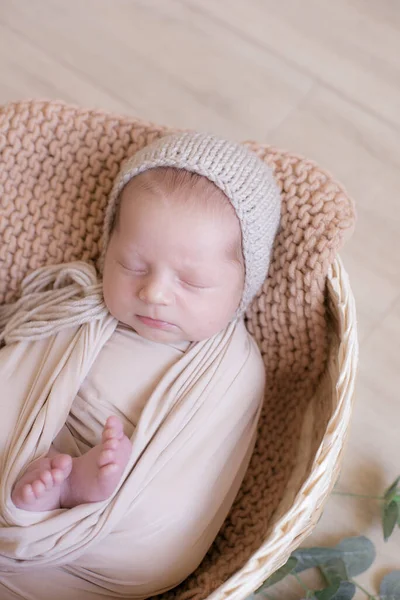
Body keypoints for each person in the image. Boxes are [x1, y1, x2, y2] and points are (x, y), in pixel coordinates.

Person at [0, 132, 281, 598]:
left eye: (191, 281)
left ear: (243, 286)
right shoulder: (79, 307)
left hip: (120, 511)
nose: (154, 293)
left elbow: (195, 479)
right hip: (27, 446)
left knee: (153, 534)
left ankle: (69, 493)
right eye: (131, 264)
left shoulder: (235, 369)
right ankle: (43, 491)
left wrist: (110, 493)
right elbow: (21, 368)